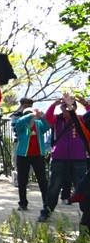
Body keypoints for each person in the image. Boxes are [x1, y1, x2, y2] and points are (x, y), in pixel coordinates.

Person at [41, 94, 90, 222]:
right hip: (59, 157)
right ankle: (46, 212)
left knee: (82, 188)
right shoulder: (57, 120)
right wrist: (53, 105)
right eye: (64, 107)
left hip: (78, 158)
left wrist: (86, 105)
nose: (67, 110)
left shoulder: (80, 120)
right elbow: (47, 119)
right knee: (54, 187)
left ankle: (86, 214)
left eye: (70, 107)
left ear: (74, 108)